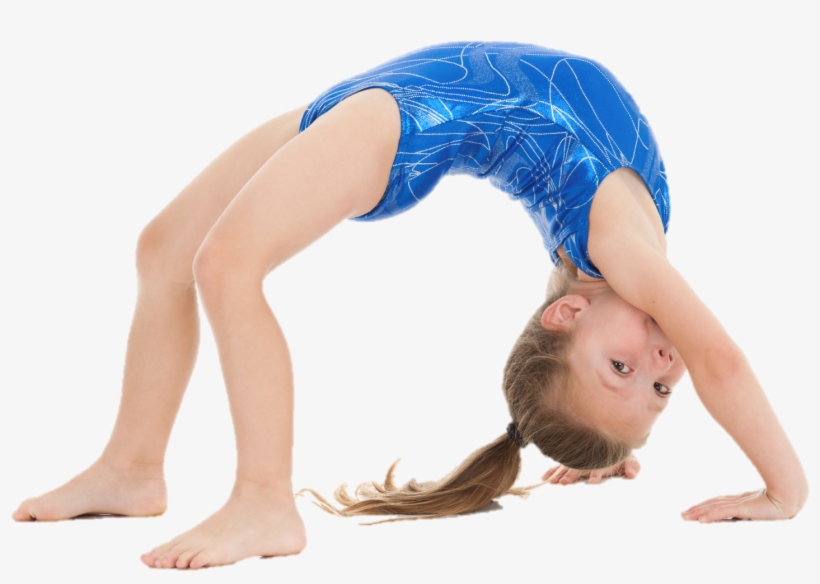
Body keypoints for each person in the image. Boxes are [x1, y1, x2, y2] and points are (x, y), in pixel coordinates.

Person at [12, 42, 808, 569]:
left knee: (227, 264)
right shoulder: (624, 257)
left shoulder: (601, 273)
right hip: (380, 96)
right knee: (165, 250)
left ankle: (263, 502)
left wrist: (602, 426)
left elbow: (611, 343)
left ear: (561, 317)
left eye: (630, 375)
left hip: (406, 120)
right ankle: (132, 468)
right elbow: (722, 361)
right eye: (652, 384)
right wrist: (784, 489)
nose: (664, 368)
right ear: (564, 314)